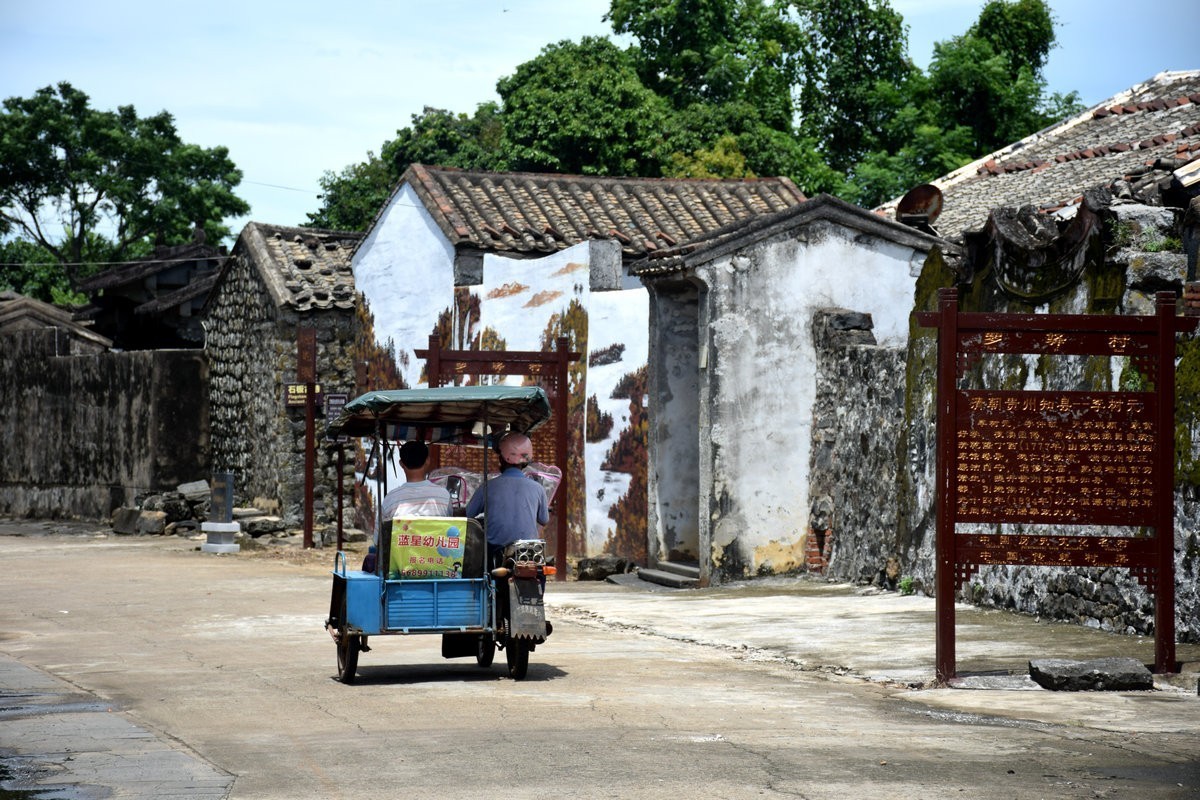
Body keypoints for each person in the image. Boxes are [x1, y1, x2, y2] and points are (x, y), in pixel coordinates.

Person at [360, 440, 451, 652]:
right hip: (438, 569)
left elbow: (377, 541)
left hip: (400, 571)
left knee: (370, 559)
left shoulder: (391, 499)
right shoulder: (443, 496)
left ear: (401, 464)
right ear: (428, 461)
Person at [466, 431, 548, 562]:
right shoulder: (538, 488)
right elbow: (544, 519)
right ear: (526, 460)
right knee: (540, 572)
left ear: (501, 458)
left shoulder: (488, 487)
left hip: (496, 552)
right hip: (529, 551)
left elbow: (468, 515)